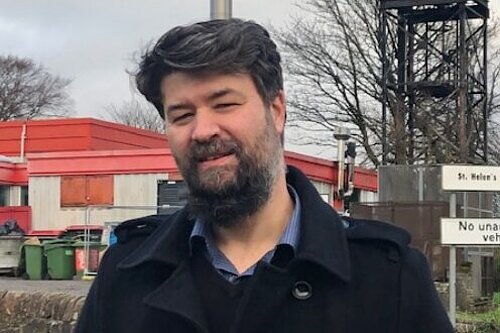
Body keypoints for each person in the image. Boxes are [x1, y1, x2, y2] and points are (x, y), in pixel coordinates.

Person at [75, 19, 453, 333]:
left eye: (225, 104)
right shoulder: (126, 272)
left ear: (276, 110)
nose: (203, 130)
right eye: (182, 115)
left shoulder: (388, 278)